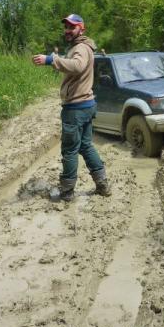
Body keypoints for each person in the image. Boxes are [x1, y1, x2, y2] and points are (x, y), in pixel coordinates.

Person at [33, 14, 111, 202]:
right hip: (86, 105)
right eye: (66, 27)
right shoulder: (82, 46)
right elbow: (74, 68)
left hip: (76, 108)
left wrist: (51, 59)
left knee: (69, 150)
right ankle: (103, 184)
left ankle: (67, 192)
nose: (67, 30)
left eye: (72, 27)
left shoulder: (81, 48)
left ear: (81, 28)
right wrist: (56, 61)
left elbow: (77, 66)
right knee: (85, 145)